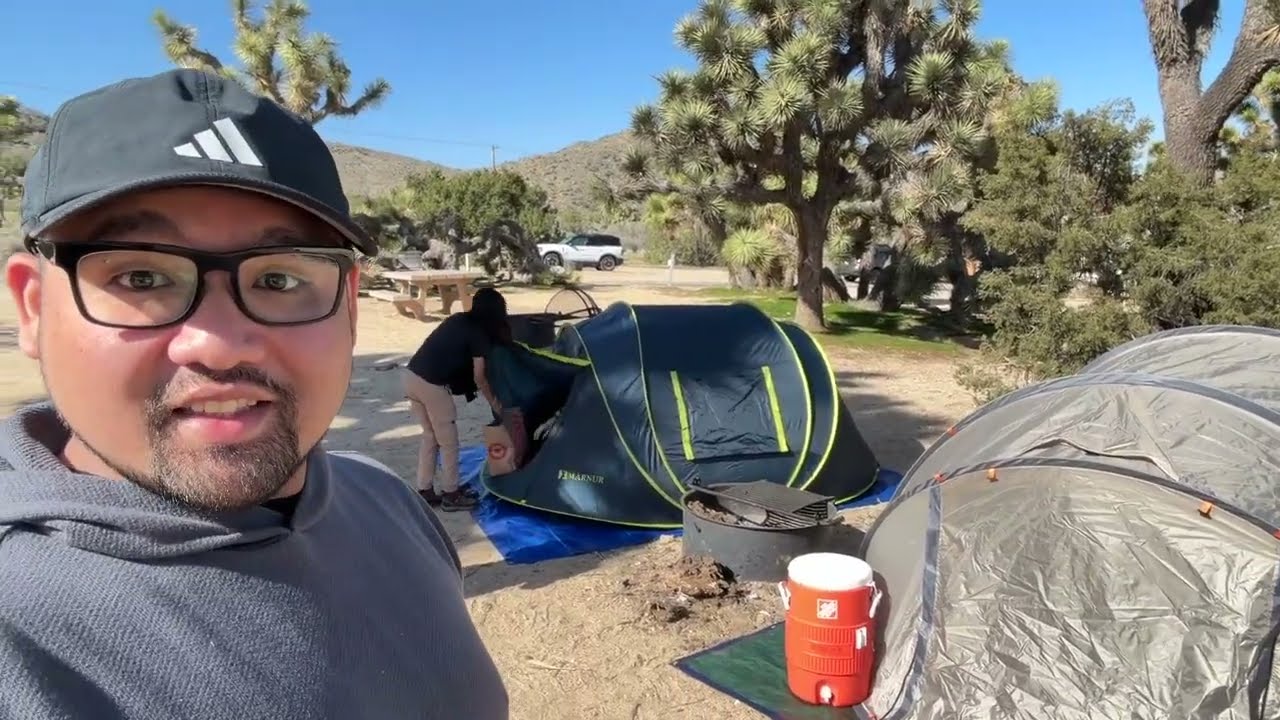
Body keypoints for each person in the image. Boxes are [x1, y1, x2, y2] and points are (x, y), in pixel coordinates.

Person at [0, 69, 508, 719]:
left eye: (278, 277)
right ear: (35, 310)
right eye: (142, 274)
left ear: (348, 309)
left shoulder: (386, 504)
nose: (218, 343)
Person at [403, 287, 511, 511]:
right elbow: (480, 377)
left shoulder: (458, 319)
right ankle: (451, 494)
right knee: (449, 442)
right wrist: (496, 405)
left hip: (410, 376)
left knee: (430, 436)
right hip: (432, 385)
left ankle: (424, 490)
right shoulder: (479, 333)